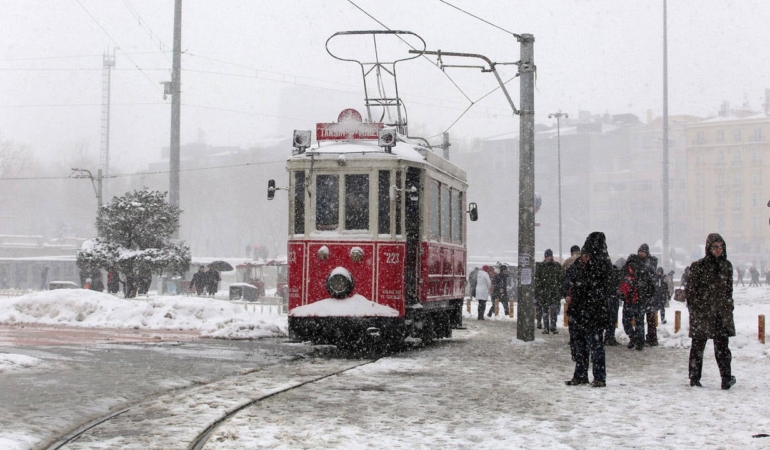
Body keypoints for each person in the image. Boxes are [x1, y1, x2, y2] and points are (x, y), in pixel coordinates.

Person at [685, 233, 736, 390]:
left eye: (721, 247)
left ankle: (726, 378)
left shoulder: (726, 266)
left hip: (721, 314)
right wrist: (696, 308)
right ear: (708, 247)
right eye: (715, 247)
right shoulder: (698, 266)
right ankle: (694, 378)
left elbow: (728, 291)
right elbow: (691, 291)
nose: (718, 250)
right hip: (702, 314)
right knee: (698, 346)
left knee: (722, 348)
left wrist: (728, 307)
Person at [565, 232, 613, 388]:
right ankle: (582, 375)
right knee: (582, 345)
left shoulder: (600, 265)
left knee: (593, 345)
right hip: (583, 311)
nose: (585, 258)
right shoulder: (582, 265)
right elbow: (568, 281)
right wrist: (569, 292)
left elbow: (601, 287)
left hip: (592, 311)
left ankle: (595, 377)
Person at [634, 244, 658, 347]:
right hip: (640, 295)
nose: (641, 254)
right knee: (639, 319)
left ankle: (652, 338)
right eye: (639, 252)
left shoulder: (650, 263)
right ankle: (640, 337)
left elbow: (651, 277)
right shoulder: (638, 262)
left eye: (642, 252)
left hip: (649, 295)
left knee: (650, 319)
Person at [535, 249, 563, 334]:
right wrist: (539, 291)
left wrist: (559, 290)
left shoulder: (557, 266)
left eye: (550, 256)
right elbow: (537, 280)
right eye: (547, 256)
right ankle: (546, 328)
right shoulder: (540, 266)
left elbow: (560, 279)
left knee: (554, 311)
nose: (549, 258)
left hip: (554, 293)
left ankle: (553, 326)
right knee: (545, 311)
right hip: (544, 293)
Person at [619, 257, 644, 350]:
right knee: (639, 322)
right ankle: (639, 341)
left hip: (629, 301)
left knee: (626, 321)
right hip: (639, 301)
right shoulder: (643, 270)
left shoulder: (626, 270)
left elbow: (620, 283)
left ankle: (633, 337)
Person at [648, 267, 669, 343]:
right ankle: (655, 320)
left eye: (660, 271)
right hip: (655, 296)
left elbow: (666, 288)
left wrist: (668, 295)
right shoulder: (655, 279)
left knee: (662, 308)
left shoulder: (663, 279)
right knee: (655, 309)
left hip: (662, 296)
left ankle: (662, 319)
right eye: (658, 271)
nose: (659, 273)